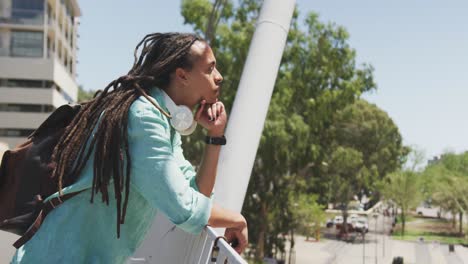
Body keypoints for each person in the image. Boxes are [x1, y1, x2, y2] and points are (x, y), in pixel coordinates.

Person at [11, 33, 248, 263]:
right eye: (209, 69)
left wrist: (215, 137)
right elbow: (183, 208)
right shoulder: (144, 119)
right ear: (182, 76)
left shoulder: (163, 120)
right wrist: (236, 219)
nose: (219, 77)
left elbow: (197, 194)